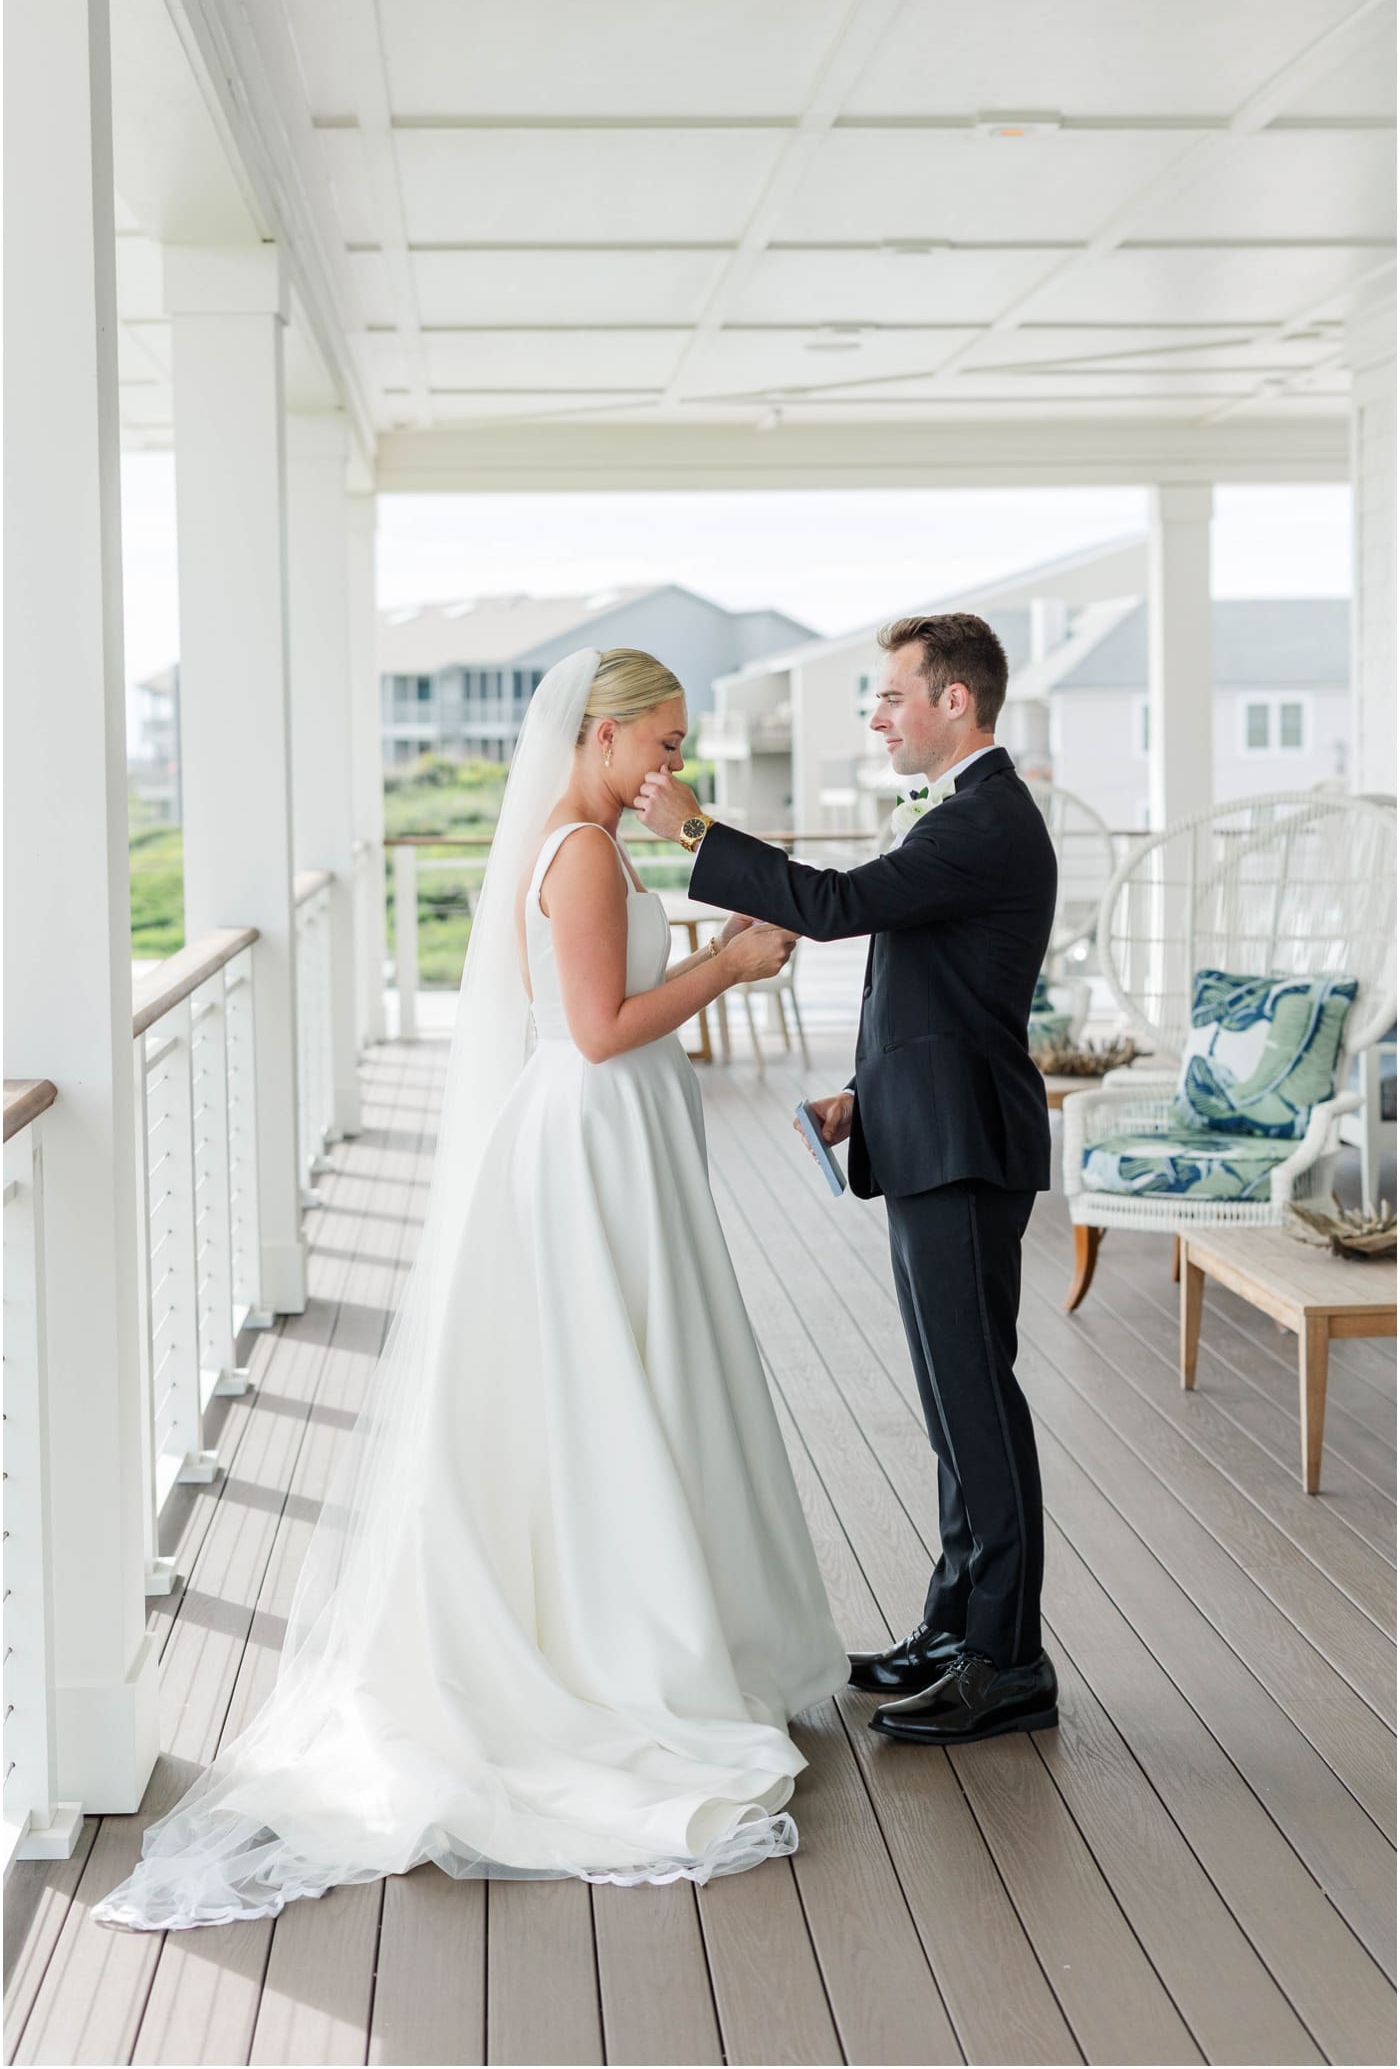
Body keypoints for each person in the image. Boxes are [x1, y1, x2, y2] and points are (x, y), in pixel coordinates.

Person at [93, 647, 848, 1932]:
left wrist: (714, 946)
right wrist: (726, 971)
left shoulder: (588, 847)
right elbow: (598, 1029)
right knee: (610, 1385)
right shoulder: (582, 854)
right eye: (661, 743)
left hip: (612, 1131)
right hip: (594, 1132)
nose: (675, 763)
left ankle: (646, 1621)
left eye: (678, 745)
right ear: (600, 737)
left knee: (631, 1378)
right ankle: (619, 1645)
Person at [636, 613, 1059, 1747]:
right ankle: (955, 1629)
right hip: (932, 1130)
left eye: (888, 695)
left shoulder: (985, 818)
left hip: (966, 1147)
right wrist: (866, 1095)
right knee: (952, 1405)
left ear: (955, 701)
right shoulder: (961, 815)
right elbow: (943, 994)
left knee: (977, 1404)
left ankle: (1008, 1662)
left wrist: (696, 830)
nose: (876, 718)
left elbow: (835, 908)